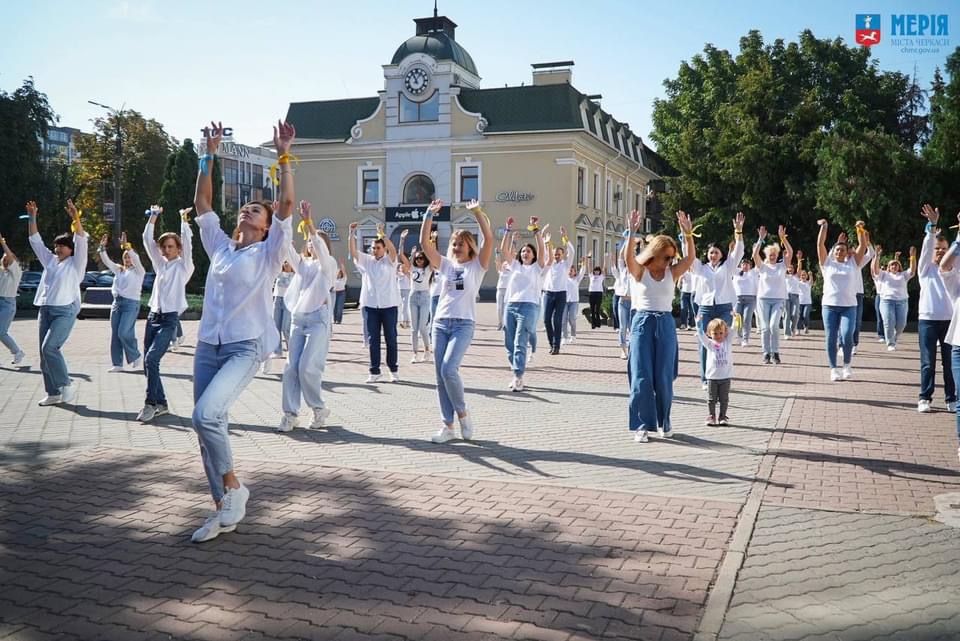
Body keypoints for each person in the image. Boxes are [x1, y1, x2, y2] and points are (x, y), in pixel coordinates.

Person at [188, 119, 295, 543]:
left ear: (266, 226)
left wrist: (285, 154)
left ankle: (234, 487)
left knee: (205, 415)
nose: (248, 211)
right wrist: (207, 155)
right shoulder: (220, 247)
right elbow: (202, 202)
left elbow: (285, 203)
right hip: (206, 347)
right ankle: (222, 510)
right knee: (205, 430)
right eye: (246, 208)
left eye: (256, 210)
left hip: (243, 348)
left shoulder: (269, 253)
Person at [420, 198, 492, 443]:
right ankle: (447, 426)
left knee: (449, 369)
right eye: (454, 243)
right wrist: (428, 215)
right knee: (440, 376)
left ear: (470, 246)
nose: (457, 246)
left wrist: (477, 213)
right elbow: (424, 244)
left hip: (463, 324)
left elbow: (489, 239)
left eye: (461, 243)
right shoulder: (446, 265)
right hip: (440, 323)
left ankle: (462, 414)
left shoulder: (477, 266)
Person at [625, 209, 696, 442]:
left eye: (671, 257)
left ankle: (664, 421)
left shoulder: (671, 273)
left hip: (665, 323)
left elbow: (690, 260)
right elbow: (628, 260)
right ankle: (642, 425)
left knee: (664, 377)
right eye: (666, 257)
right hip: (643, 322)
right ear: (654, 253)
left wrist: (687, 235)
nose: (670, 261)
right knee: (641, 376)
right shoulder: (641, 271)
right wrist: (632, 232)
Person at [277, 201, 337, 433]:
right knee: (291, 368)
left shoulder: (328, 265)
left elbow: (322, 251)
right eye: (310, 242)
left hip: (317, 321)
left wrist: (309, 223)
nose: (312, 244)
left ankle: (318, 408)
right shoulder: (304, 265)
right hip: (298, 320)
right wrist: (281, 221)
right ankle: (290, 414)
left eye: (316, 242)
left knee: (306, 368)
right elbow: (288, 251)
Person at [27, 199, 86, 406]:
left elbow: (81, 239)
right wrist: (33, 217)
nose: (59, 248)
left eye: (63, 246)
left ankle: (65, 384)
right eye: (57, 245)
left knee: (50, 347)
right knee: (44, 354)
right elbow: (35, 241)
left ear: (71, 249)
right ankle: (53, 393)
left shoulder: (76, 264)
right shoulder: (50, 260)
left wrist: (76, 218)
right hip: (45, 310)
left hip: (65, 311)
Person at [140, 205, 194, 422]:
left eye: (171, 246)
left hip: (169, 320)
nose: (166, 250)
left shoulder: (184, 267)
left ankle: (150, 403)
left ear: (178, 249)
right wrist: (153, 216)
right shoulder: (160, 264)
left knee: (152, 359)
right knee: (148, 363)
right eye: (164, 247)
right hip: (153, 317)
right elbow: (146, 239)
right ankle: (161, 403)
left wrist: (183, 220)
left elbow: (189, 245)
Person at [691, 212, 745, 387]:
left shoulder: (728, 267)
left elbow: (738, 252)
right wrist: (687, 235)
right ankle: (706, 378)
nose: (713, 255)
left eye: (716, 252)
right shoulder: (701, 268)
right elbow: (689, 257)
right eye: (710, 252)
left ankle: (723, 375)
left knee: (724, 341)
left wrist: (738, 232)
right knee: (705, 342)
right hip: (706, 307)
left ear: (721, 254)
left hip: (724, 307)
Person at [816, 218, 868, 381]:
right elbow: (820, 245)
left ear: (847, 253)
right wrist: (824, 227)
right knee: (831, 337)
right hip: (829, 306)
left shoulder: (853, 263)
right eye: (837, 250)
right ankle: (833, 368)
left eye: (842, 250)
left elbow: (863, 246)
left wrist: (859, 229)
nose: (839, 252)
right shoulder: (827, 263)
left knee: (846, 335)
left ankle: (846, 365)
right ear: (834, 251)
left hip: (849, 306)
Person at [349, 221, 400, 383]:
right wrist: (351, 234)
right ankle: (374, 370)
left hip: (389, 305)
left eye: (378, 247)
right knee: (373, 339)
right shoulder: (367, 260)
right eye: (373, 247)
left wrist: (383, 235)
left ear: (383, 249)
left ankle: (393, 369)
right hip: (371, 306)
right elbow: (353, 252)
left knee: (391, 338)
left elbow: (393, 250)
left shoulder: (390, 261)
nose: (374, 250)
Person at [916, 204, 956, 413]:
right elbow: (926, 247)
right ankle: (925, 397)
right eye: (937, 249)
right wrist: (932, 225)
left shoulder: (955, 269)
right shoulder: (926, 269)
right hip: (928, 320)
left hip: (951, 321)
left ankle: (951, 398)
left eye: (944, 249)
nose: (940, 252)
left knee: (950, 364)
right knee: (927, 362)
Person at [501, 217, 546, 392]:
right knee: (509, 342)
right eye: (523, 251)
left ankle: (518, 375)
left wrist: (536, 231)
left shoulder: (537, 267)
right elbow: (504, 249)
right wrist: (507, 230)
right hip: (511, 305)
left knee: (520, 340)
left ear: (533, 255)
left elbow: (542, 249)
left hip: (529, 306)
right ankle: (515, 372)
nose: (525, 253)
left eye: (528, 251)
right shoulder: (514, 266)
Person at [98, 232, 144, 372]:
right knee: (115, 334)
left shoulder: (139, 271)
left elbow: (136, 259)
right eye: (125, 256)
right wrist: (102, 247)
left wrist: (127, 246)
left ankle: (135, 356)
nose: (127, 259)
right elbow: (106, 261)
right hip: (117, 304)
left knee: (124, 332)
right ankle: (117, 364)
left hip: (131, 304)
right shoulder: (119, 270)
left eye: (129, 256)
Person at [753, 225, 793, 365]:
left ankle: (775, 352)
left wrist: (783, 238)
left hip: (778, 299)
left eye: (774, 255)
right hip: (763, 299)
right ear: (767, 256)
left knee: (774, 325)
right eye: (770, 255)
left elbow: (790, 252)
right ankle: (766, 353)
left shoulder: (782, 266)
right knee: (765, 327)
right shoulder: (762, 266)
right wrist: (760, 239)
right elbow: (754, 255)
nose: (772, 257)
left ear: (777, 256)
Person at [872, 246, 916, 351]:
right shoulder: (884, 275)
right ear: (888, 267)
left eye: (896, 265)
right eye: (892, 265)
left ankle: (895, 336)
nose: (894, 266)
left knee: (901, 324)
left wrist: (913, 257)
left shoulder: (903, 275)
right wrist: (877, 256)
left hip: (902, 302)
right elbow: (875, 269)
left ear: (899, 267)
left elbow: (912, 270)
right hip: (886, 301)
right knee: (888, 322)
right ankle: (890, 343)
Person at [541, 227, 573, 354]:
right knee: (546, 320)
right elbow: (543, 251)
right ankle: (551, 343)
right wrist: (544, 238)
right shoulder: (548, 263)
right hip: (548, 294)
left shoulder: (566, 264)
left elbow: (572, 251)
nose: (556, 256)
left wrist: (565, 237)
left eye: (559, 254)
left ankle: (556, 345)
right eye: (555, 254)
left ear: (562, 255)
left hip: (561, 295)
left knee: (557, 320)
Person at [697, 317, 735, 426]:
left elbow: (734, 329)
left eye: (721, 333)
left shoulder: (727, 341)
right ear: (709, 333)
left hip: (725, 377)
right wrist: (698, 322)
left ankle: (723, 416)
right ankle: (711, 416)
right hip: (712, 377)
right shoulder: (709, 344)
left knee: (724, 399)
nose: (718, 336)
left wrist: (735, 319)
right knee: (711, 399)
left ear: (725, 333)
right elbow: (700, 334)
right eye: (715, 333)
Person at [263, 261, 295, 374]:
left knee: (286, 328)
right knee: (275, 327)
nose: (286, 264)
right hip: (277, 300)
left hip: (288, 302)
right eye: (285, 262)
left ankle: (292, 351)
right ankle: (277, 350)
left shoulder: (295, 276)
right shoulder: (278, 273)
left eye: (288, 263)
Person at [405, 245, 434, 363]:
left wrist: (431, 242)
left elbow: (433, 257)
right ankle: (415, 353)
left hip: (425, 296)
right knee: (413, 328)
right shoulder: (412, 268)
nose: (419, 260)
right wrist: (402, 241)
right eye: (417, 258)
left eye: (421, 258)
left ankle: (427, 350)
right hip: (413, 296)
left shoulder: (428, 269)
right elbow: (401, 256)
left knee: (422, 327)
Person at [0, 234, 25, 365]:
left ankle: (17, 352)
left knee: (1, 332)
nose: (5, 260)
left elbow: (8, 255)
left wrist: (2, 242)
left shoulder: (16, 272)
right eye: (3, 258)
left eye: (7, 258)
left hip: (7, 304)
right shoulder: (1, 272)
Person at [562, 256, 588, 345]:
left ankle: (573, 335)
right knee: (563, 320)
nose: (570, 272)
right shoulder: (563, 279)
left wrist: (584, 262)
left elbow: (582, 271)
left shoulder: (577, 279)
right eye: (568, 270)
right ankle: (564, 337)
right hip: (564, 301)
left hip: (574, 302)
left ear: (574, 272)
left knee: (572, 318)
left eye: (571, 270)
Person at [733, 259, 758, 346]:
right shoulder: (736, 272)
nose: (745, 266)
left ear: (750, 266)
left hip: (750, 300)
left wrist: (756, 251)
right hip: (737, 299)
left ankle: (745, 339)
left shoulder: (753, 273)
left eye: (747, 264)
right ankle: (739, 336)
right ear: (740, 265)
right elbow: (731, 262)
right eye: (743, 264)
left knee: (747, 319)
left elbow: (759, 263)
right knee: (738, 319)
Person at [783, 254, 802, 339]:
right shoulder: (784, 276)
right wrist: (784, 256)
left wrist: (799, 260)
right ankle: (787, 333)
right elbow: (783, 266)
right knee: (787, 315)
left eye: (792, 268)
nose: (790, 269)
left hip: (795, 297)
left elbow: (799, 269)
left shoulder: (796, 276)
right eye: (789, 268)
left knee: (795, 314)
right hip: (786, 296)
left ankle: (792, 329)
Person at [396, 231, 412, 330]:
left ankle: (405, 322)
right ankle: (403, 321)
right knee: (401, 308)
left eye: (403, 267)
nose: (402, 269)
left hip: (407, 292)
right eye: (400, 268)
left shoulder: (408, 274)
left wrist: (402, 240)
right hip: (399, 292)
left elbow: (408, 262)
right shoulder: (398, 274)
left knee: (405, 308)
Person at [587, 255, 606, 329]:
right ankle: (593, 324)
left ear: (599, 271)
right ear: (594, 271)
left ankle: (598, 323)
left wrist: (605, 259)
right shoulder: (591, 275)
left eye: (598, 270)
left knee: (597, 309)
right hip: (592, 293)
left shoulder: (601, 276)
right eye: (595, 270)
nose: (596, 271)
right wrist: (589, 258)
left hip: (599, 293)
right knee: (592, 309)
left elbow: (604, 267)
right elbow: (589, 267)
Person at [797, 269, 813, 334]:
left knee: (805, 315)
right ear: (800, 276)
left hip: (807, 302)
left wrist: (810, 275)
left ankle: (806, 327)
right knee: (799, 316)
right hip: (799, 302)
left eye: (804, 275)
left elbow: (811, 281)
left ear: (806, 276)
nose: (803, 276)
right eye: (802, 275)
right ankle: (798, 330)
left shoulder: (808, 283)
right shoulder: (798, 283)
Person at [332, 259, 347, 324]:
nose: (338, 274)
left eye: (339, 273)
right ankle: (335, 319)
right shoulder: (334, 279)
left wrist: (342, 265)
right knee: (334, 308)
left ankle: (339, 320)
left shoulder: (344, 279)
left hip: (341, 293)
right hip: (335, 293)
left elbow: (344, 272)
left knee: (339, 308)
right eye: (337, 273)